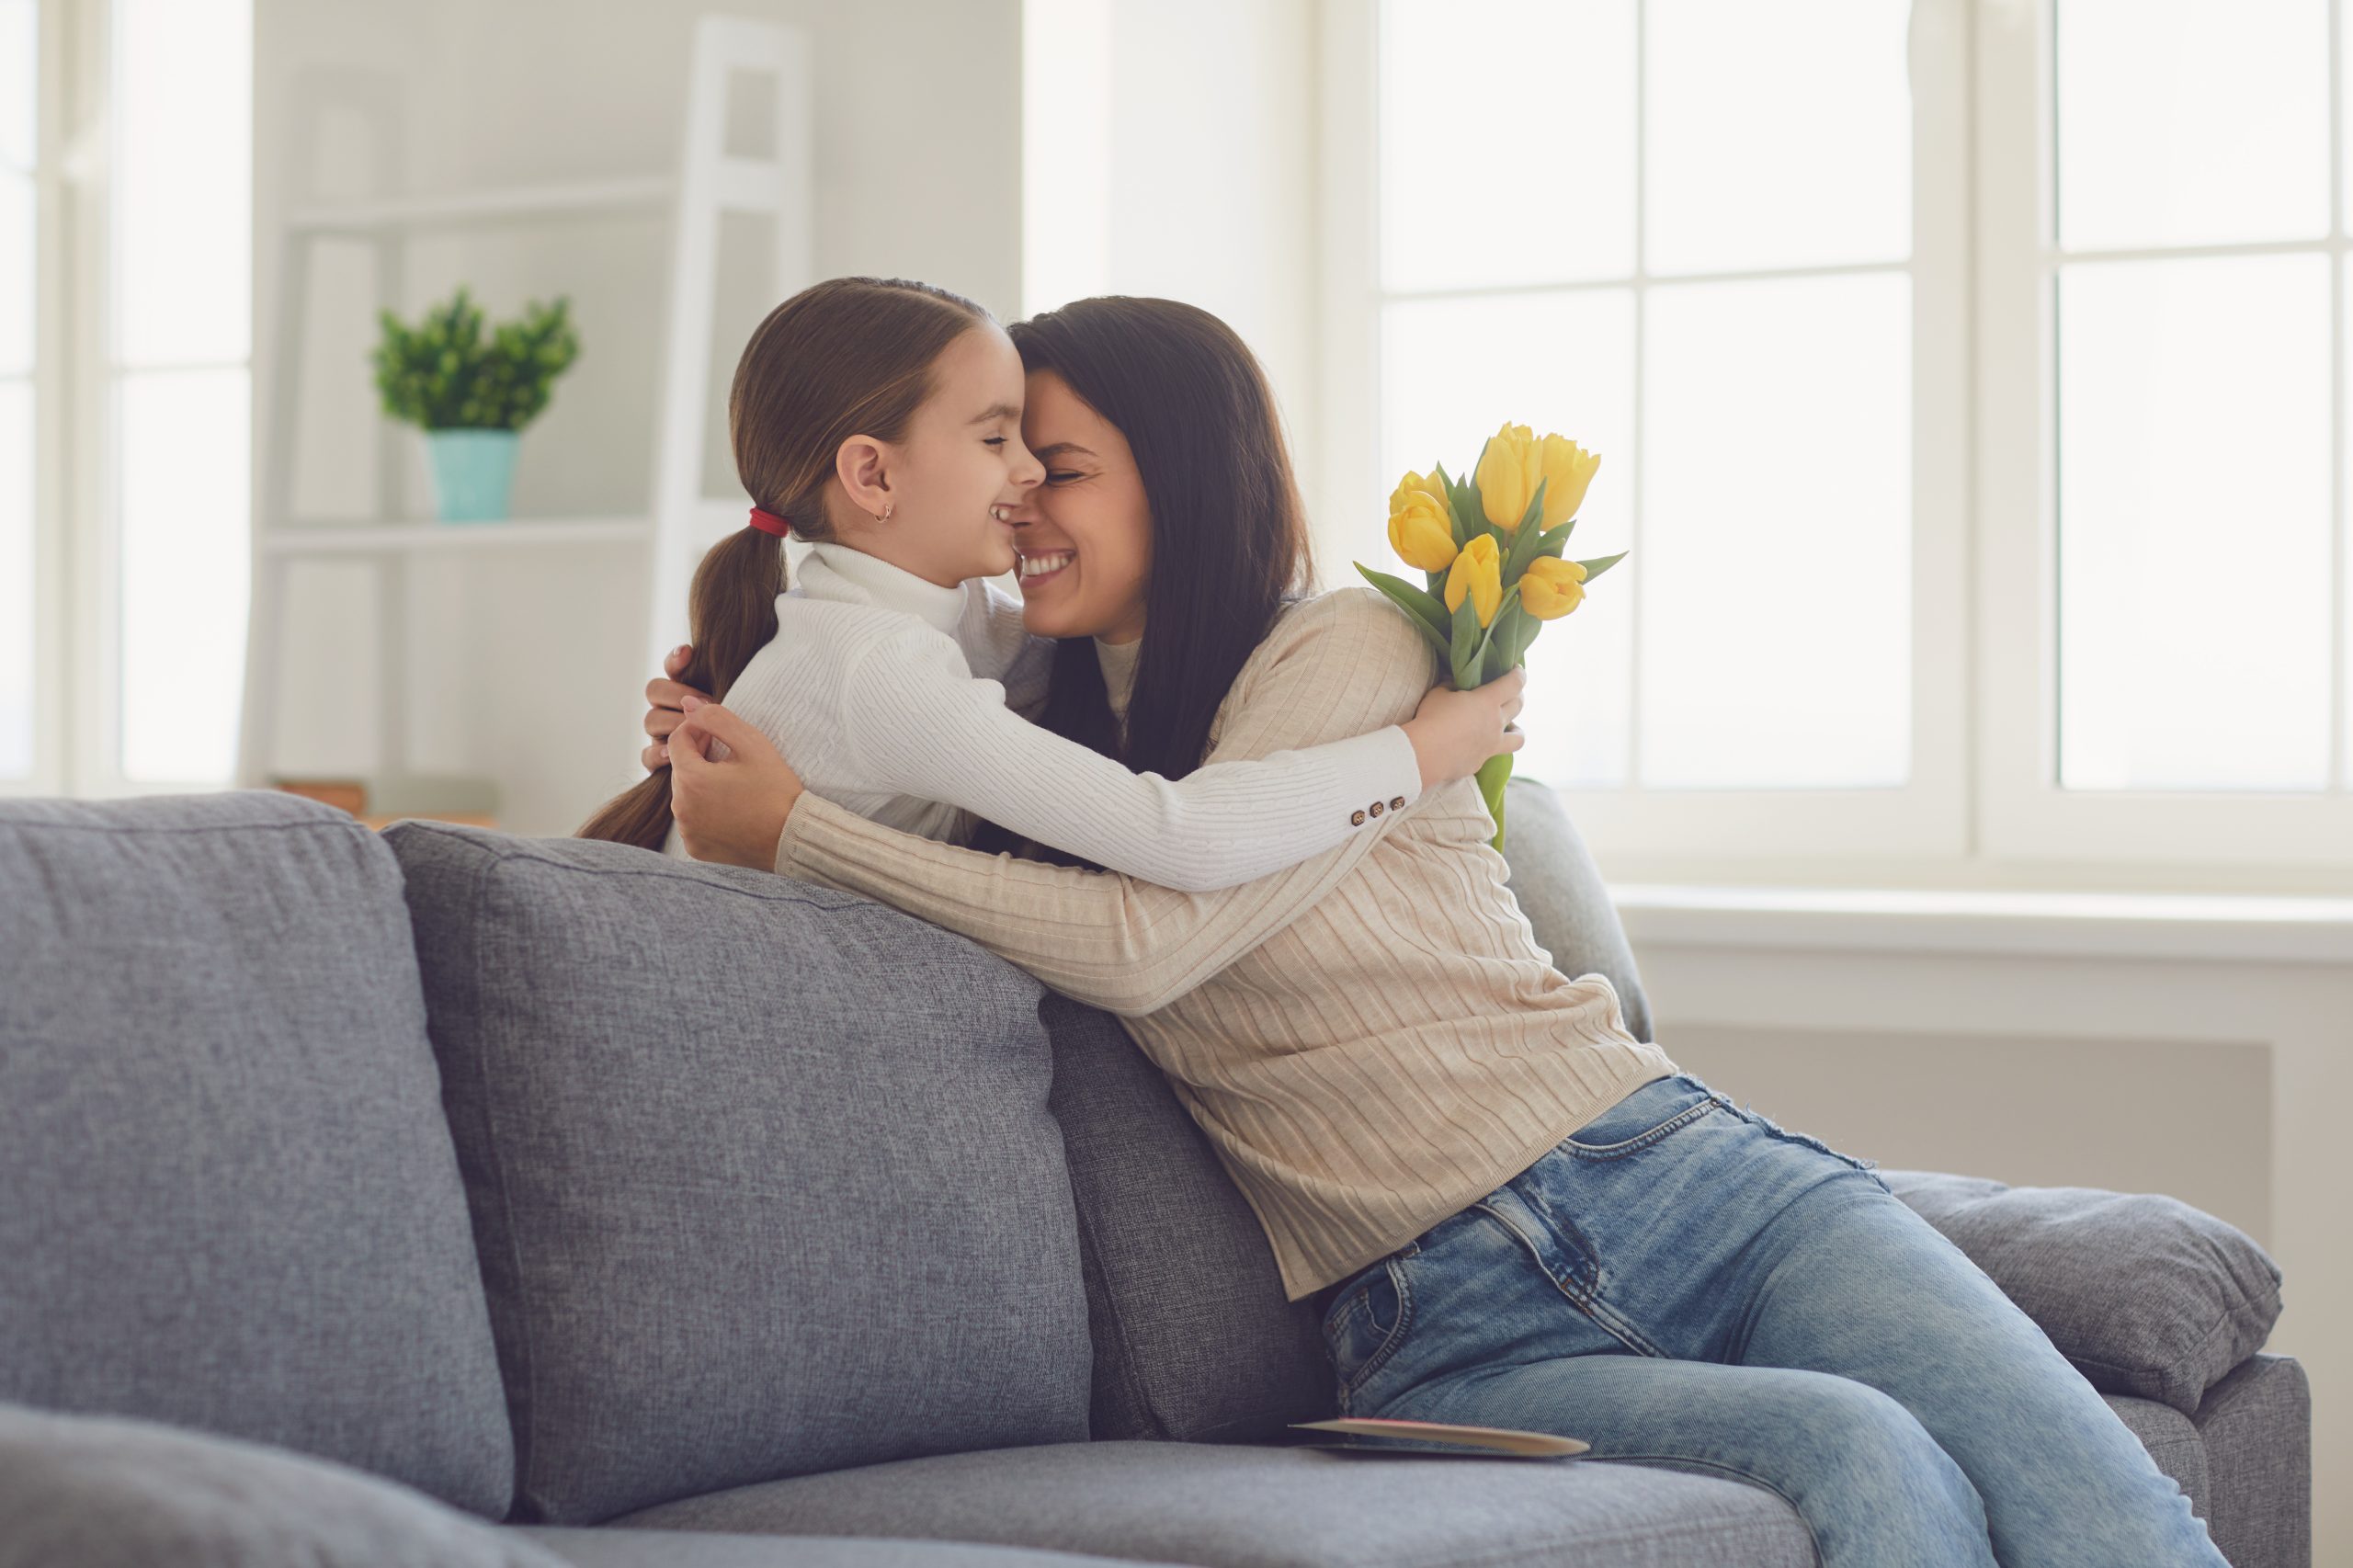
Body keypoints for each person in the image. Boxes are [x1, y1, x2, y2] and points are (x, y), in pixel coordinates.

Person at [643, 293, 2224, 1568]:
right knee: (1857, 1448)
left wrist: (805, 827)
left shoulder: (1359, 647)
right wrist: (717, 736)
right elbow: (862, 637)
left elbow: (1151, 941)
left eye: (1056, 462)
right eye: (1002, 458)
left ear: (1180, 474)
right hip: (1438, 1314)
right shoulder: (1028, 711)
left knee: (2098, 1505)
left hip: (1689, 1177)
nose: (1017, 501)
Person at [578, 275, 1523, 886]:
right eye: (998, 440)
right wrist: (1424, 749)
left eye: (1044, 453)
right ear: (872, 476)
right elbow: (1178, 837)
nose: (1025, 472)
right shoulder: (879, 666)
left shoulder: (929, 628)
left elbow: (1083, 668)